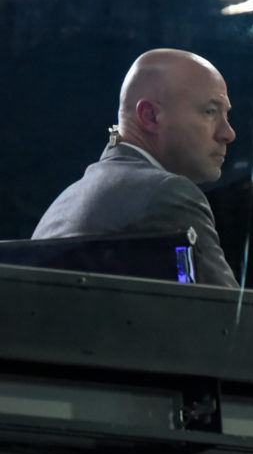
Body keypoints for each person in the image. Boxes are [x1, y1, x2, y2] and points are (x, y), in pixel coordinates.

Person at [33, 48, 239, 287]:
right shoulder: (167, 194)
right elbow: (232, 319)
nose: (228, 133)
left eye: (226, 115)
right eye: (210, 112)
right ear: (150, 116)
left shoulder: (64, 202)